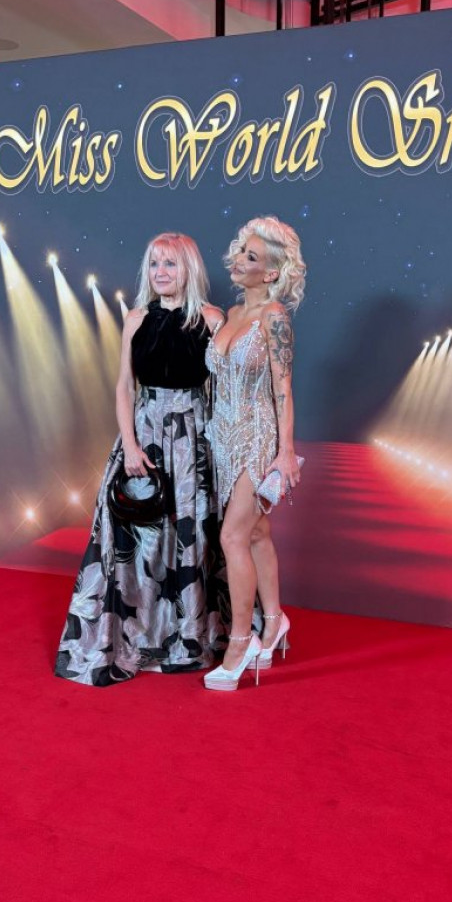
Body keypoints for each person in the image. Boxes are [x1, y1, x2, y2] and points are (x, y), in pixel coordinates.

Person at [55, 233, 226, 686]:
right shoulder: (135, 318)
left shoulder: (212, 319)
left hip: (192, 438)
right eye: (154, 264)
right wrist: (130, 446)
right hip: (144, 433)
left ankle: (187, 637)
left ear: (189, 269)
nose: (161, 272)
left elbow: (225, 391)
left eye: (170, 263)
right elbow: (124, 388)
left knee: (191, 536)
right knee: (135, 536)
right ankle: (136, 636)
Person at [203, 216, 306, 692]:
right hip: (221, 437)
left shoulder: (274, 316)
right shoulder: (229, 313)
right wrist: (210, 322)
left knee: (232, 537)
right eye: (241, 251)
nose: (238, 260)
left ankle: (240, 644)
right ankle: (276, 619)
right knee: (257, 532)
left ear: (271, 273)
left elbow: (283, 389)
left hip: (256, 437)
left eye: (251, 256)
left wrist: (286, 451)